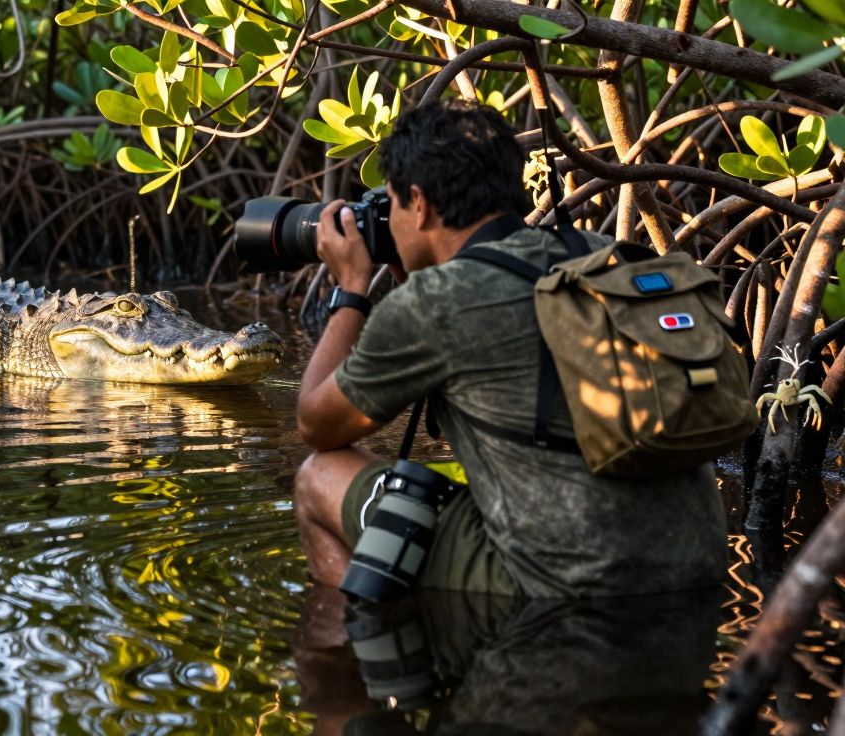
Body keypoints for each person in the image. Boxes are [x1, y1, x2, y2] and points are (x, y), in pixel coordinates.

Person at [293, 100, 728, 597]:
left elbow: (316, 425)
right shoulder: (596, 253)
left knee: (318, 477)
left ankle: (351, 646)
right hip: (696, 565)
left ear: (419, 202)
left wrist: (350, 288)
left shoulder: (435, 302)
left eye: (389, 204)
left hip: (567, 586)